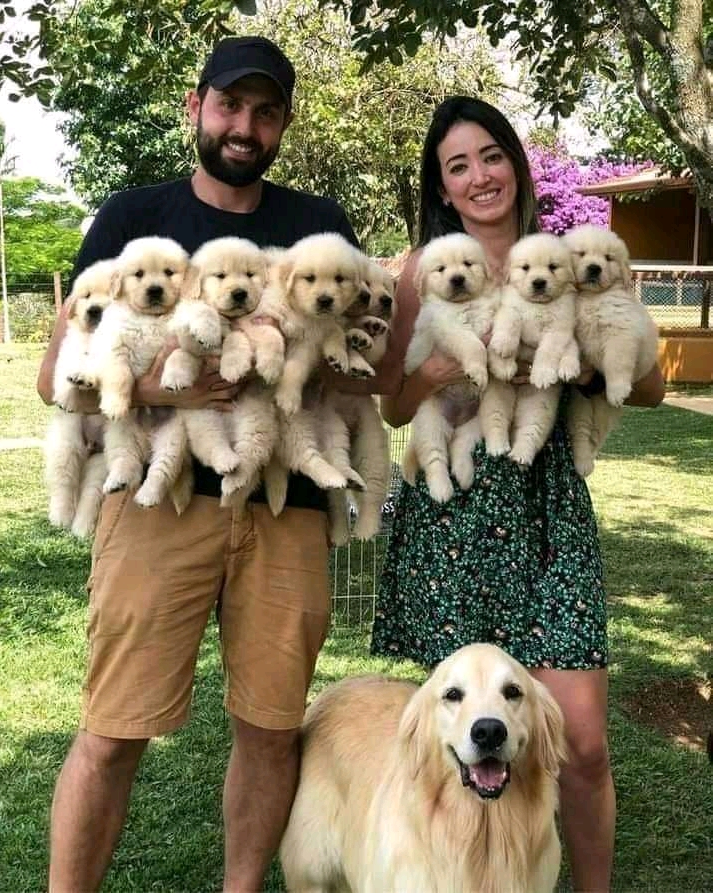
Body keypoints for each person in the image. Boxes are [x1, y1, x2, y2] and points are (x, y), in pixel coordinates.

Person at [37, 35, 361, 893]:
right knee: (111, 728)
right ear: (196, 106)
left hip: (283, 511)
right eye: (229, 105)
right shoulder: (129, 218)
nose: (244, 126)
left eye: (264, 111)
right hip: (158, 504)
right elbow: (58, 380)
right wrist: (183, 392)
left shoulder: (318, 227)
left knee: (270, 727)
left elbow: (360, 360)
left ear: (284, 121)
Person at [370, 95, 665, 893]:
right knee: (467, 737)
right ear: (442, 185)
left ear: (515, 162)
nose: (478, 176)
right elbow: (393, 401)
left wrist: (596, 353)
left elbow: (653, 388)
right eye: (457, 165)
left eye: (490, 155)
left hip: (548, 513)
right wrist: (434, 372)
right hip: (454, 515)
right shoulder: (420, 269)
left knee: (581, 738)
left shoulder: (572, 258)